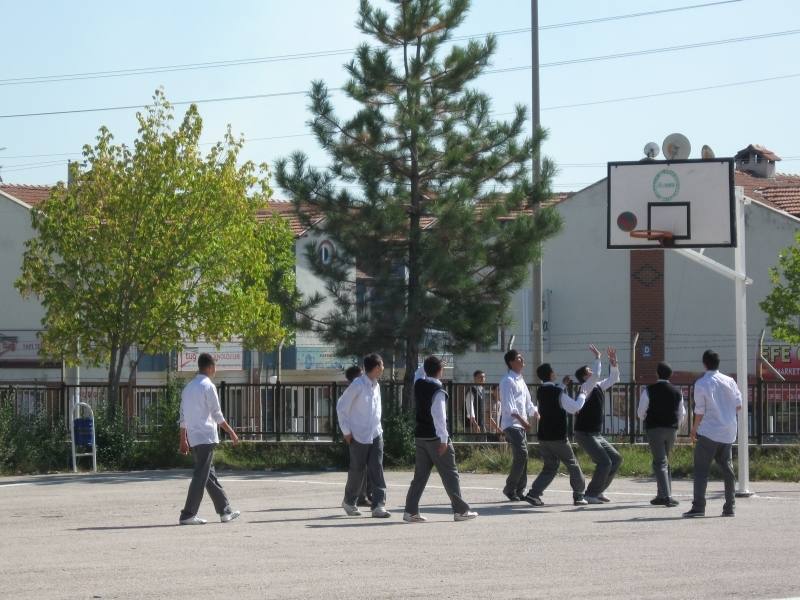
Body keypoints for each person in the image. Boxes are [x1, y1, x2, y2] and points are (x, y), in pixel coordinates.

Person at [403, 355, 478, 523]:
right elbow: (439, 416)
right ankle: (460, 510)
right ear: (440, 371)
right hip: (436, 438)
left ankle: (410, 511)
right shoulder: (438, 390)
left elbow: (418, 373)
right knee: (450, 474)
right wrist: (444, 439)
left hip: (420, 436)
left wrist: (427, 364)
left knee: (420, 476)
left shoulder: (419, 384)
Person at [178, 353, 241, 525]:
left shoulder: (188, 387)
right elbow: (217, 414)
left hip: (194, 437)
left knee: (208, 476)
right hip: (206, 436)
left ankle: (225, 510)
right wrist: (231, 432)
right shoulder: (208, 386)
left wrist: (183, 440)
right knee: (201, 475)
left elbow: (182, 417)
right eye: (215, 367)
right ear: (211, 367)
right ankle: (188, 514)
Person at [684, 350, 742, 518]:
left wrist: (694, 429)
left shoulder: (702, 383)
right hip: (729, 431)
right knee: (727, 469)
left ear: (704, 364)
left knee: (702, 470)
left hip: (709, 431)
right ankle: (730, 507)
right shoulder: (730, 381)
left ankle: (699, 507)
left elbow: (700, 411)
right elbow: (739, 405)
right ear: (718, 363)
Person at [523, 363, 588, 506]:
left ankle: (534, 494)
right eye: (553, 371)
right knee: (572, 464)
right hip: (558, 436)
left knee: (550, 466)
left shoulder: (541, 391)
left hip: (543, 436)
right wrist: (583, 394)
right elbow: (575, 407)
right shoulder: (558, 393)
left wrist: (563, 385)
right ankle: (579, 495)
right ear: (551, 374)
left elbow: (554, 392)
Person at [336, 353, 390, 518]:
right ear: (375, 367)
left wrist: (379, 429)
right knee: (357, 470)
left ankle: (378, 505)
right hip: (358, 435)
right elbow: (341, 406)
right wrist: (346, 431)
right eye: (381, 365)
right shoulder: (358, 385)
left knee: (377, 468)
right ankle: (349, 502)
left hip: (375, 433)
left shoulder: (377, 385)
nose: (383, 368)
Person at [573, 345, 622, 504]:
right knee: (604, 462)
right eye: (589, 371)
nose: (592, 372)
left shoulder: (599, 386)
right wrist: (598, 358)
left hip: (596, 434)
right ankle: (590, 494)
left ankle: (599, 490)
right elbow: (597, 375)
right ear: (584, 377)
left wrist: (614, 364)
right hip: (585, 433)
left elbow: (613, 379)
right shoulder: (585, 388)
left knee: (616, 458)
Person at [638, 361, 686, 508]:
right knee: (664, 461)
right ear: (670, 375)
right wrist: (675, 426)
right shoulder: (677, 391)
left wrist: (647, 418)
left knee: (660, 462)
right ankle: (662, 494)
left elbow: (640, 412)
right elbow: (681, 413)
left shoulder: (649, 390)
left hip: (654, 429)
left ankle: (666, 496)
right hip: (672, 429)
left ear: (657, 373)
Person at [499, 349, 537, 501]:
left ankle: (520, 490)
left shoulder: (520, 380)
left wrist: (535, 413)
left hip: (520, 425)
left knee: (524, 457)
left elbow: (528, 403)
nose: (522, 360)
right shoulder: (507, 380)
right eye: (518, 358)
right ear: (511, 362)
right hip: (511, 424)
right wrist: (523, 421)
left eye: (521, 358)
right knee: (522, 455)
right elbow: (509, 407)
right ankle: (510, 489)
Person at [344, 365, 372, 508]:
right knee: (358, 467)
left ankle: (364, 494)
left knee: (366, 466)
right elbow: (343, 412)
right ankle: (356, 497)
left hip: (365, 434)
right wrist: (347, 433)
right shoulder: (352, 392)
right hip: (355, 434)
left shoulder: (364, 389)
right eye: (361, 375)